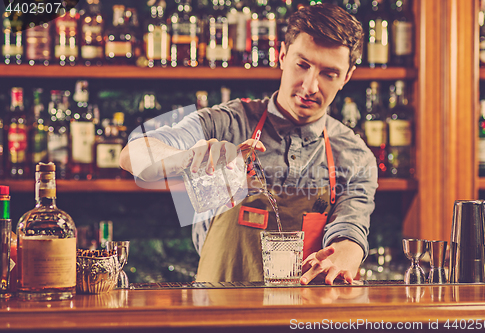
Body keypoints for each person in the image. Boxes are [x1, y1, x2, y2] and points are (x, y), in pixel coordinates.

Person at [119, 3, 377, 285]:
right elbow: (133, 155)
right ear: (282, 55)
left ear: (348, 76)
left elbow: (351, 228)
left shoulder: (354, 154)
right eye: (302, 65)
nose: (310, 86)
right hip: (217, 315)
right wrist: (188, 158)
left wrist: (342, 256)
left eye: (329, 74)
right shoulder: (227, 122)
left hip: (300, 318)